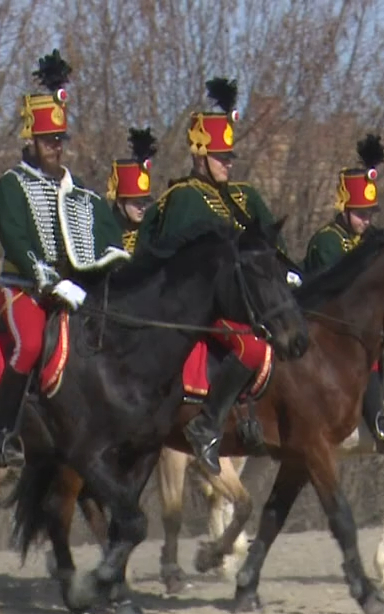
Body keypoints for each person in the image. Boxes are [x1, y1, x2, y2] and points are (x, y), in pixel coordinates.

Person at [134, 76, 302, 476]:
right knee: (254, 350)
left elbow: (268, 247)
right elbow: (177, 264)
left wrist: (290, 273)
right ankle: (208, 426)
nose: (228, 162)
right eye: (221, 155)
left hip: (246, 302)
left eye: (230, 156)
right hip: (200, 309)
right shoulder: (185, 197)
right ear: (199, 155)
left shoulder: (245, 196)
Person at [0, 49, 130, 469]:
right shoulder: (10, 187)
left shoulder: (78, 189)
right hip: (23, 292)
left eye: (60, 141)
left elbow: (104, 235)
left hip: (72, 294)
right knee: (29, 345)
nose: (56, 148)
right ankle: (1, 434)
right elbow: (17, 241)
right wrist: (48, 281)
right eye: (49, 141)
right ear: (29, 140)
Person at [302, 134, 384, 447]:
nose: (366, 220)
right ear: (344, 208)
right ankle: (376, 416)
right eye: (360, 213)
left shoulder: (370, 243)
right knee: (365, 350)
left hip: (358, 319)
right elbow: (336, 290)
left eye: (370, 214)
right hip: (323, 320)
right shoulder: (327, 241)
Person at [105, 127, 158, 253]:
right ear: (120, 202)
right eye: (136, 203)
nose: (142, 208)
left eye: (144, 202)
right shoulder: (107, 232)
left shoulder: (151, 233)